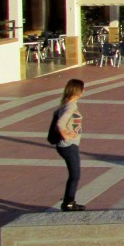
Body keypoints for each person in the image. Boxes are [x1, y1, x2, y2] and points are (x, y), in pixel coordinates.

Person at [54, 78, 87, 211]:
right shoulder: (71, 106)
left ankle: (69, 201)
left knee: (74, 174)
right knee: (75, 175)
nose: (84, 91)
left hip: (67, 145)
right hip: (68, 145)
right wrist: (67, 135)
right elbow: (60, 123)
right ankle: (68, 202)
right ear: (77, 90)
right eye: (82, 88)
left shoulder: (67, 104)